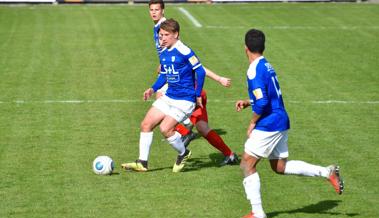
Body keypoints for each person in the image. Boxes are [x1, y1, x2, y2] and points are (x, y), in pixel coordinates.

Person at [236, 29, 344, 218]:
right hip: (280, 119)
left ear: (245, 48)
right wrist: (248, 102)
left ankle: (258, 213)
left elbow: (262, 102)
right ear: (263, 47)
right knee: (279, 167)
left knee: (246, 164)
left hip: (269, 123)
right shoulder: (266, 65)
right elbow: (267, 95)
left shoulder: (253, 70)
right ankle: (326, 172)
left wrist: (252, 122)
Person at [147, 0, 238, 166]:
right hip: (182, 92)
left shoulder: (178, 46)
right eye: (151, 9)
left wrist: (218, 79)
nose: (162, 38)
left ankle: (190, 137)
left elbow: (198, 67)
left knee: (199, 127)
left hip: (191, 93)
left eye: (156, 9)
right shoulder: (162, 37)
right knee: (166, 111)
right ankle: (227, 153)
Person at [121, 19, 206, 173]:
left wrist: (198, 94)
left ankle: (183, 153)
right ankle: (142, 163)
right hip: (169, 96)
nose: (163, 39)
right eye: (160, 36)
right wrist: (152, 89)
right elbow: (165, 75)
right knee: (146, 124)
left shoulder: (185, 51)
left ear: (176, 35)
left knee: (165, 129)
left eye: (166, 35)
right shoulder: (164, 52)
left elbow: (200, 71)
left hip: (184, 100)